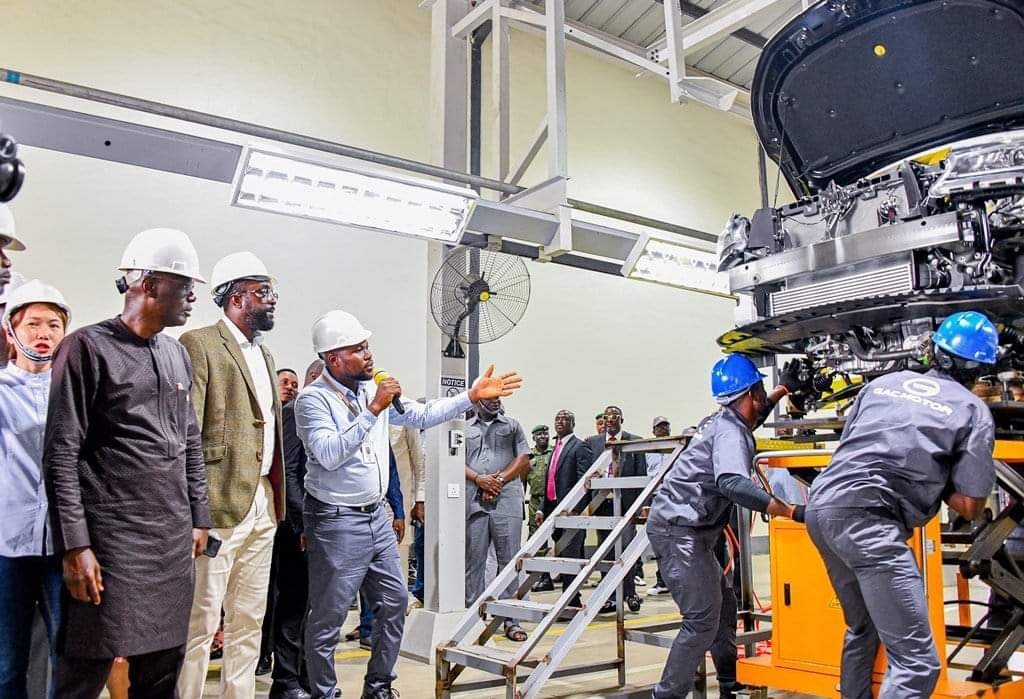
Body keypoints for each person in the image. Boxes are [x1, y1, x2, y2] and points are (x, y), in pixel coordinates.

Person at [295, 309, 522, 699]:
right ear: (333, 358)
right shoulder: (312, 401)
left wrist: (469, 396)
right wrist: (373, 411)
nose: (369, 354)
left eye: (368, 346)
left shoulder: (372, 390)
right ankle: (324, 693)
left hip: (375, 516)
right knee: (329, 616)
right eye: (358, 349)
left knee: (395, 601)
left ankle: (379, 686)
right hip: (335, 520)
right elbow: (330, 454)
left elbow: (421, 415)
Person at [44, 228, 212, 698]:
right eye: (185, 286)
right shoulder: (86, 348)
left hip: (170, 549)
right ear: (150, 284)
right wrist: (75, 547)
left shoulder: (176, 354)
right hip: (112, 548)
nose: (193, 297)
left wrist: (199, 516)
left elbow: (190, 443)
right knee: (84, 676)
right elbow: (61, 453)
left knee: (161, 677)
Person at [806, 311, 998, 697]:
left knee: (863, 628)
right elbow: (972, 506)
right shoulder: (973, 410)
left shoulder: (883, 384)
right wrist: (938, 471)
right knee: (917, 664)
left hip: (822, 510)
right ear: (980, 371)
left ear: (936, 351)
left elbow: (852, 446)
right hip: (871, 524)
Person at [646, 354, 808, 699]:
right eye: (762, 388)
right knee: (702, 618)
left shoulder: (725, 419)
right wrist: (790, 511)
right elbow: (732, 483)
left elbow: (754, 415)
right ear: (751, 392)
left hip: (689, 529)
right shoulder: (730, 431)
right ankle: (666, 695)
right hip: (680, 532)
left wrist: (782, 389)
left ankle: (729, 683)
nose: (763, 394)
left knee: (725, 605)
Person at [178, 251, 287, 699]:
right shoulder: (199, 343)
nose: (272, 301)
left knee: (248, 618)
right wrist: (194, 510)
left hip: (263, 501)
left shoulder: (265, 354)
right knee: (201, 621)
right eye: (263, 293)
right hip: (220, 504)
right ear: (236, 297)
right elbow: (188, 432)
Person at [0, 281, 70, 698]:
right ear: (12, 330)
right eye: (33, 324)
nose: (43, 333)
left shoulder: (76, 392)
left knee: (68, 654)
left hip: (64, 546)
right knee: (8, 658)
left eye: (54, 324)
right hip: (8, 544)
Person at [268, 358, 324, 699]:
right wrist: (300, 522)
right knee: (293, 603)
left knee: (314, 608)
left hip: (325, 525)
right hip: (297, 527)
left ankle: (305, 677)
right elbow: (288, 472)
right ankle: (285, 681)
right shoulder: (294, 413)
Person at [464, 398, 531, 641]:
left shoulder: (512, 426)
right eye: (489, 399)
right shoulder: (464, 429)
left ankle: (511, 621)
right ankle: (473, 619)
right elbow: (455, 461)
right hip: (474, 500)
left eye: (497, 399)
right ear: (477, 402)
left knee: (508, 561)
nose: (495, 402)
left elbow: (523, 458)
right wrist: (479, 479)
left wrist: (498, 481)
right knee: (474, 562)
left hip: (507, 499)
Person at [585, 406, 646, 613]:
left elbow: (642, 476)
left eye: (614, 417)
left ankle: (630, 593)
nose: (610, 420)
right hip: (602, 504)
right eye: (606, 417)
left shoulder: (634, 441)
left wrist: (640, 506)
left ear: (622, 419)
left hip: (626, 505)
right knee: (605, 551)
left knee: (626, 550)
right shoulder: (593, 442)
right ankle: (609, 596)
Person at [535, 410, 592, 606]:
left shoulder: (579, 446)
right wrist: (542, 508)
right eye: (557, 418)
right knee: (561, 556)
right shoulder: (555, 448)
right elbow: (549, 481)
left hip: (570, 513)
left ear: (573, 424)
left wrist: (577, 508)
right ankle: (570, 599)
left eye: (565, 419)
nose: (560, 422)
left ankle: (572, 600)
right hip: (553, 511)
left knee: (571, 556)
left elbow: (584, 480)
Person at [389, 423, 426, 606]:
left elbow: (419, 463)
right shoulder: (362, 407)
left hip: (399, 502)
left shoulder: (405, 413)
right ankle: (368, 621)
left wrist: (420, 500)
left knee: (399, 555)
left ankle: (398, 611)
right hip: (368, 499)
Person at [645, 416, 672, 597]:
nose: (663, 430)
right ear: (654, 431)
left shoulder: (675, 449)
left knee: (674, 540)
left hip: (673, 496)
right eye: (659, 427)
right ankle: (662, 579)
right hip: (655, 497)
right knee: (659, 541)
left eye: (665, 426)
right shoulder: (648, 451)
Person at [526, 425, 553, 592]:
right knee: (537, 539)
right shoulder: (529, 456)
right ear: (534, 437)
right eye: (540, 434)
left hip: (553, 500)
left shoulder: (554, 452)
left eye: (546, 433)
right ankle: (544, 577)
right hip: (536, 501)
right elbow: (522, 480)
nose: (544, 436)